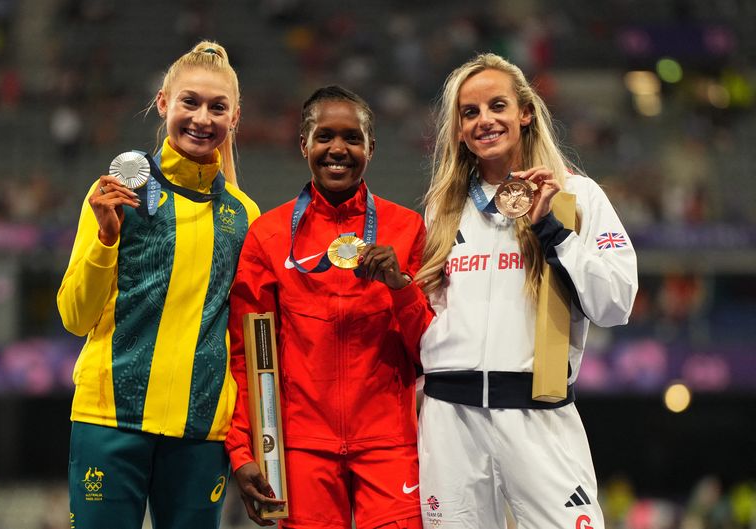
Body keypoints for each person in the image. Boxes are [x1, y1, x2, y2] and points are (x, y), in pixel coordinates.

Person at [415, 53, 638, 529]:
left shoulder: (577, 197)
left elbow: (617, 303)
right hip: (450, 418)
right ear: (456, 129)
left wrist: (553, 231)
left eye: (497, 105)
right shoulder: (442, 207)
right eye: (469, 112)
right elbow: (431, 310)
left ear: (526, 112)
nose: (485, 121)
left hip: (538, 414)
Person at [56, 40, 259, 529]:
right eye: (189, 102)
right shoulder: (117, 194)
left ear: (234, 119)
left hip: (199, 432)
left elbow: (243, 338)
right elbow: (74, 317)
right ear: (164, 102)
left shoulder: (243, 216)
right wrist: (106, 238)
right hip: (110, 420)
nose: (202, 118)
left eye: (217, 107)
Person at [225, 85, 431, 529]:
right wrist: (243, 450)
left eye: (352, 138)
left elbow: (428, 350)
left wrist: (402, 288)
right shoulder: (268, 235)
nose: (338, 148)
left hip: (390, 444)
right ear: (304, 145)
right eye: (324, 137)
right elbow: (246, 356)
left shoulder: (407, 229)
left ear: (370, 147)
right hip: (301, 447)